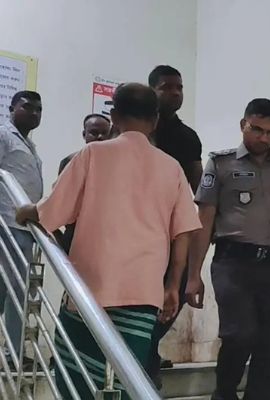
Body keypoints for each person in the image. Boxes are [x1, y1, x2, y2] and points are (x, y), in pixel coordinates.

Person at [15, 83, 201, 399]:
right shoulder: (171, 167)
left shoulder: (92, 154)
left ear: (113, 116)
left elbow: (51, 211)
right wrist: (172, 284)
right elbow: (183, 230)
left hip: (90, 288)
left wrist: (24, 211)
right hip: (143, 291)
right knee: (126, 376)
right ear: (155, 120)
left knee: (77, 376)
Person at [188, 98, 270, 400]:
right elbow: (204, 219)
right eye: (257, 129)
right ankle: (224, 393)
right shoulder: (221, 163)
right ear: (243, 125)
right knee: (240, 333)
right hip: (234, 263)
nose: (264, 138)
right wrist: (193, 275)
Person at [146, 64, 204, 385]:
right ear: (152, 90)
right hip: (138, 228)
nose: (175, 93)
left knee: (176, 291)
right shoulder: (137, 130)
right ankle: (145, 356)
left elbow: (197, 186)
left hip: (173, 230)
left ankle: (147, 349)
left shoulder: (187, 137)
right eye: (167, 87)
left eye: (179, 87)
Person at [0, 90, 43, 370]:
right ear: (11, 108)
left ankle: (13, 353)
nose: (34, 113)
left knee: (16, 291)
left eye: (38, 109)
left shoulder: (28, 143)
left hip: (25, 228)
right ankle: (12, 355)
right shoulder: (4, 135)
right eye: (27, 107)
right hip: (7, 224)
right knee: (13, 290)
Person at [55, 113, 112, 253]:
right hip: (76, 234)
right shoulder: (70, 162)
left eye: (104, 133)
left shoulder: (118, 164)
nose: (100, 137)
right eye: (94, 132)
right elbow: (61, 201)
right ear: (84, 134)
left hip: (108, 236)